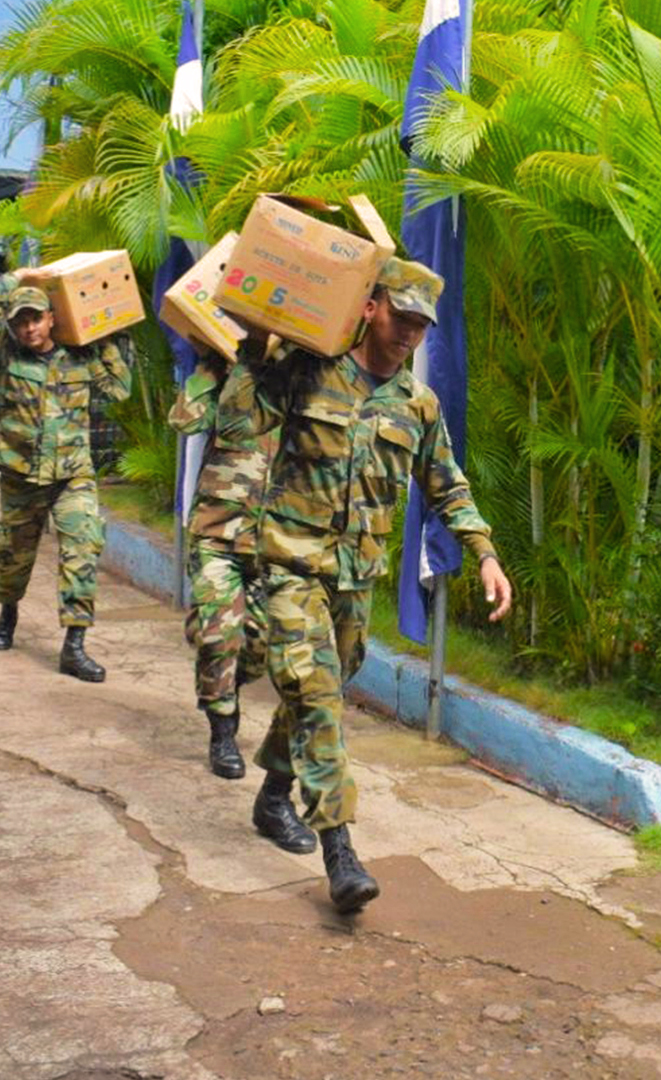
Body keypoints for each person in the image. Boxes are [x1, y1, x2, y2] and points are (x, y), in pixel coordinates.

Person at [216, 257, 513, 914]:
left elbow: (446, 485)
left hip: (355, 581)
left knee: (320, 688)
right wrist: (252, 352)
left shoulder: (416, 404)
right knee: (318, 697)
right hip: (291, 566)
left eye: (420, 322)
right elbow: (237, 425)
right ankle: (339, 850)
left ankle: (271, 800)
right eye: (401, 314)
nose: (410, 331)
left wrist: (484, 553)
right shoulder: (307, 370)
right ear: (370, 306)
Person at [0, 269, 134, 682]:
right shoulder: (4, 358)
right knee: (13, 557)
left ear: (51, 318)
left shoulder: (79, 357)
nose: (29, 328)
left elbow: (119, 389)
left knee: (82, 553)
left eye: (36, 318)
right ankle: (8, 614)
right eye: (20, 321)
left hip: (71, 476)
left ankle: (74, 646)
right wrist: (20, 276)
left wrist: (103, 331)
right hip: (20, 476)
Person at [168, 351, 279, 782]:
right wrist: (209, 368)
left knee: (261, 645)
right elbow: (184, 420)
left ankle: (226, 682)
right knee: (220, 635)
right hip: (218, 531)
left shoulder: (299, 377)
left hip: (276, 541)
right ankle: (223, 731)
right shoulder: (222, 375)